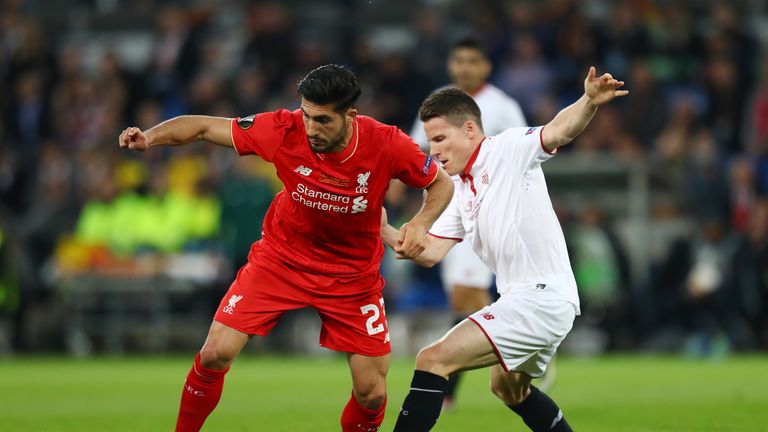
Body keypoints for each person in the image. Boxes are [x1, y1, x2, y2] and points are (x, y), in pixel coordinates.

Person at [118, 64, 453, 432]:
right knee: (215, 353)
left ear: (350, 115)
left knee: (371, 392)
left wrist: (420, 223)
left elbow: (440, 184)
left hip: (352, 275)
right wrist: (149, 137)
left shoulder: (386, 143)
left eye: (323, 120)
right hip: (281, 260)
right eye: (307, 115)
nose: (311, 129)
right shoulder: (283, 128)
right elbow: (201, 126)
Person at [383, 66, 628, 431]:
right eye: (430, 142)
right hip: (525, 300)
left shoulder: (507, 149)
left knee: (432, 358)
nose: (433, 151)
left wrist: (588, 101)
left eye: (439, 139)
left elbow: (558, 130)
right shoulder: (458, 190)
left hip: (540, 299)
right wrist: (381, 228)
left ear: (469, 129)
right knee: (508, 390)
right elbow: (429, 251)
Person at [409, 35, 528, 410]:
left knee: (466, 294)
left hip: (488, 212)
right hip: (450, 210)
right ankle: (522, 342)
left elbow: (526, 159)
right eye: (459, 60)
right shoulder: (438, 103)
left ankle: (453, 383)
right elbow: (417, 154)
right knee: (462, 297)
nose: (464, 67)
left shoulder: (503, 107)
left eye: (472, 61)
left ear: (485, 67)